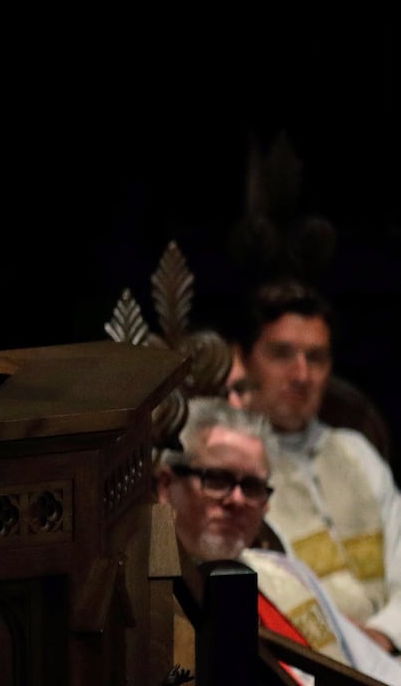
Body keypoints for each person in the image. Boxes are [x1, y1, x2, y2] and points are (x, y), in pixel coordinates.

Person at [157, 396, 401, 684]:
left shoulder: (288, 573)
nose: (237, 500)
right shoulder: (152, 596)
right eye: (218, 479)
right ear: (166, 485)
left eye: (252, 486)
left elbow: (379, 672)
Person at [236, 278, 401, 656]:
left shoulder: (355, 451)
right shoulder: (233, 474)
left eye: (316, 358)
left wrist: (383, 635)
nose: (301, 375)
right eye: (282, 354)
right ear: (244, 360)